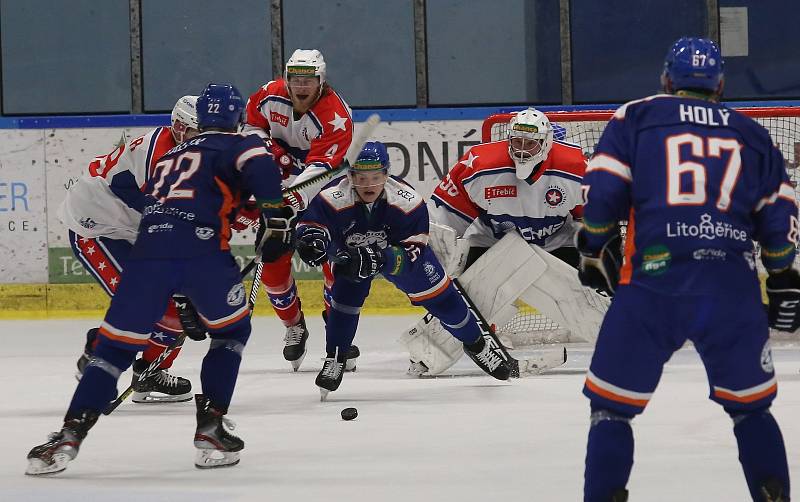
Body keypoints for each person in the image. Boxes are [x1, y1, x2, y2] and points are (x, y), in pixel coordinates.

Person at [576, 37, 797, 501]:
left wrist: (593, 246)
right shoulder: (751, 134)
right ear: (720, 84)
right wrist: (782, 277)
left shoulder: (636, 116)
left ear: (666, 78)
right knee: (751, 410)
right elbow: (779, 215)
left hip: (653, 282)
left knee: (611, 411)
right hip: (731, 286)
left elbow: (603, 194)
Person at [26, 83, 286, 475]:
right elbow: (263, 182)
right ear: (238, 120)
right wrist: (276, 220)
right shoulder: (240, 145)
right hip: (181, 247)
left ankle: (66, 437)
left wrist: (183, 295)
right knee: (230, 332)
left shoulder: (174, 157)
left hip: (148, 253)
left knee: (115, 350)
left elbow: (175, 208)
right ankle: (212, 428)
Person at [295, 142, 513, 400]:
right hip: (353, 257)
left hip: (399, 256)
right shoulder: (331, 198)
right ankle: (335, 357)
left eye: (375, 178)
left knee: (445, 302)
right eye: (361, 178)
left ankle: (477, 344)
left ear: (387, 175)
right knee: (343, 299)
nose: (368, 185)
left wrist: (381, 258)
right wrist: (312, 240)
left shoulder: (407, 201)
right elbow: (311, 225)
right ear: (349, 176)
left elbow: (414, 250)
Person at [402, 108, 603, 376]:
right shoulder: (478, 166)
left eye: (530, 143)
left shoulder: (576, 168)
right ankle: (428, 353)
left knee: (595, 304)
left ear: (546, 144)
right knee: (465, 298)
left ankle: (624, 340)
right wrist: (429, 265)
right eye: (516, 141)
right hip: (493, 246)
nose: (522, 150)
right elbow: (441, 221)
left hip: (556, 247)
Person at [58, 95, 204, 403]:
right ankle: (97, 355)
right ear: (178, 127)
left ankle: (150, 372)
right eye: (195, 131)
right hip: (98, 227)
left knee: (181, 301)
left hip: (135, 228)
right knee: (148, 303)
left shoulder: (198, 151)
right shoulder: (159, 157)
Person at [241, 48, 354, 371]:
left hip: (325, 190)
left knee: (336, 259)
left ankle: (338, 330)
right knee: (273, 261)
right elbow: (251, 129)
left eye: (309, 80)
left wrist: (291, 198)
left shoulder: (336, 115)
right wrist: (272, 155)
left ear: (321, 81)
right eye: (295, 79)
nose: (301, 86)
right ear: (286, 79)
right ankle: (294, 326)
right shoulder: (267, 95)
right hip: (279, 187)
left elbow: (322, 168)